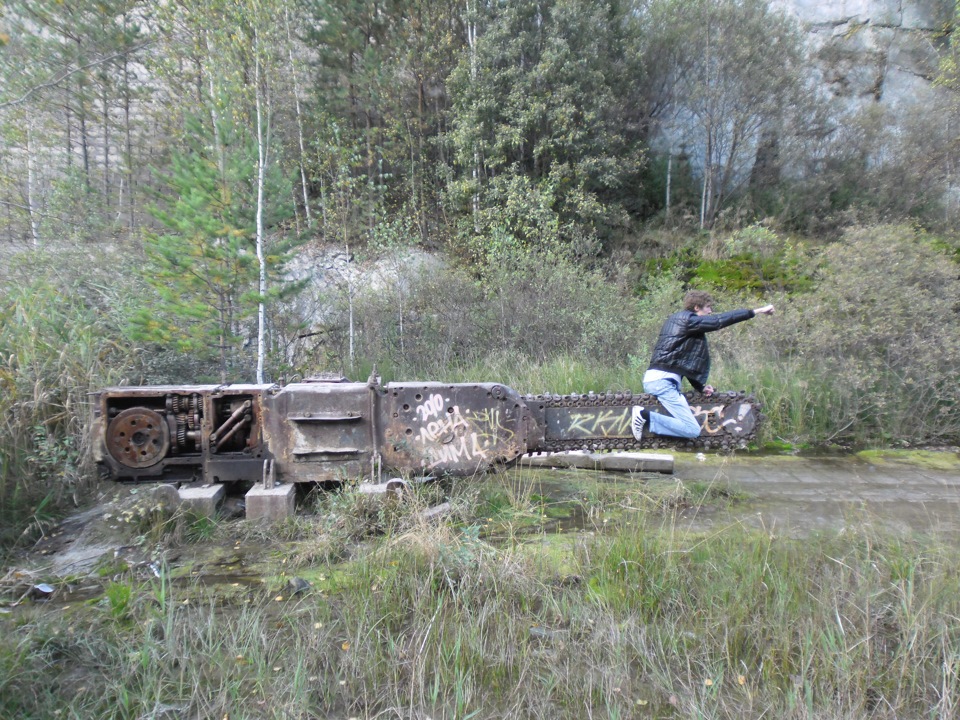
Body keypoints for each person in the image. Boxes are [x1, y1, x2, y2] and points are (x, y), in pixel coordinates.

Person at [632, 290, 774, 439]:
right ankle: (643, 415)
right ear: (696, 308)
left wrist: (700, 386)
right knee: (692, 430)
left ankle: (646, 419)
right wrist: (757, 311)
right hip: (663, 382)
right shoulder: (689, 321)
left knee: (686, 425)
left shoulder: (679, 321)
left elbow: (682, 361)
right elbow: (719, 321)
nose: (710, 311)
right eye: (708, 307)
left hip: (658, 379)